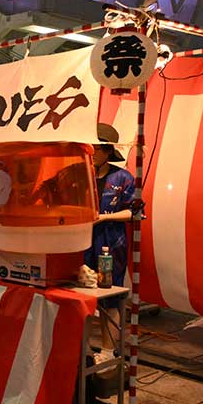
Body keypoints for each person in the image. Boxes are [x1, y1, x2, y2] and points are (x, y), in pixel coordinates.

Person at [86, 123, 134, 349]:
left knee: (110, 297)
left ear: (108, 151)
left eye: (98, 148)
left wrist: (105, 217)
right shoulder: (80, 173)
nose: (93, 152)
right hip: (81, 241)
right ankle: (83, 350)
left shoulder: (122, 177)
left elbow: (134, 212)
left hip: (111, 243)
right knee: (82, 296)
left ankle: (108, 351)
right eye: (90, 147)